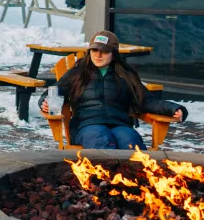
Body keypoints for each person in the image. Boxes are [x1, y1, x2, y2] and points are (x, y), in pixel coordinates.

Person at [40, 30, 187, 150]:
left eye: (103, 51)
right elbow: (54, 92)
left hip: (119, 124)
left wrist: (173, 108)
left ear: (114, 53)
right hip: (87, 125)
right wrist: (45, 102)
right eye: (94, 50)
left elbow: (146, 100)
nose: (97, 55)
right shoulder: (77, 73)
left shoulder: (125, 75)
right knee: (101, 141)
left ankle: (132, 183)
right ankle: (102, 184)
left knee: (131, 142)